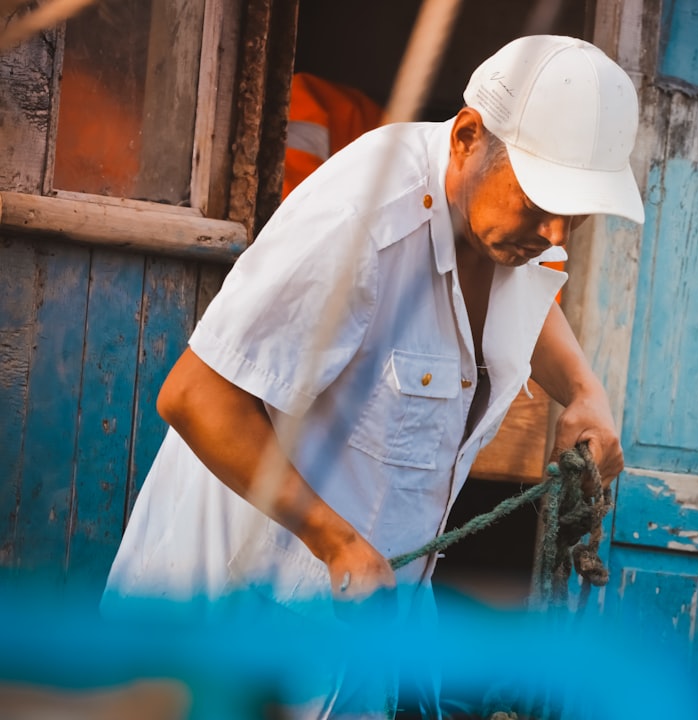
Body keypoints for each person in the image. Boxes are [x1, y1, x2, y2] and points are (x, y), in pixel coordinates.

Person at [102, 34, 644, 717]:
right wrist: (334, 540)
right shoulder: (358, 222)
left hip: (362, 624)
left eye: (577, 212)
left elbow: (527, 289)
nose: (559, 233)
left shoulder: (501, 226)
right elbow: (193, 395)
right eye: (541, 204)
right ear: (468, 138)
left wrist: (586, 393)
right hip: (236, 618)